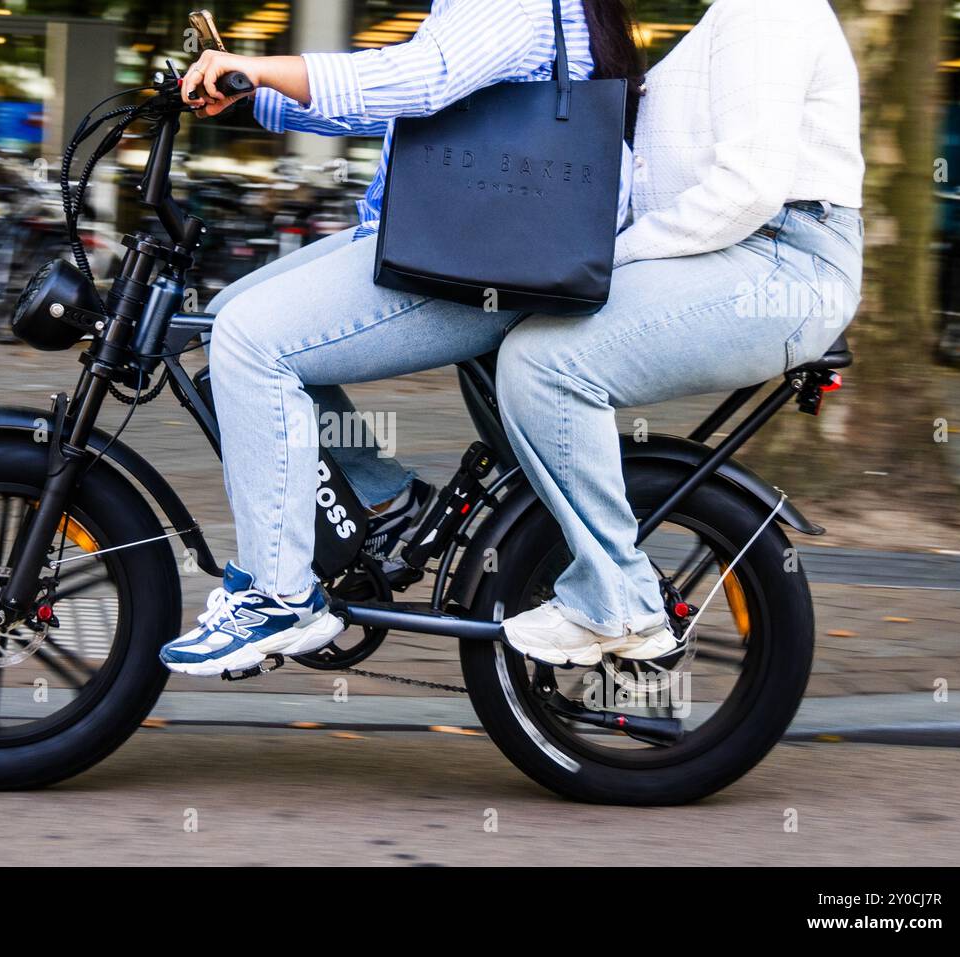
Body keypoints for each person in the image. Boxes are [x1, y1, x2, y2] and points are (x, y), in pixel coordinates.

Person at [160, 0, 642, 675]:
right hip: (437, 244)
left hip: (482, 261)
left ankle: (279, 596)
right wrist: (254, 90)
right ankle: (386, 501)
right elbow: (391, 102)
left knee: (250, 339)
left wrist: (262, 65)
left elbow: (420, 79)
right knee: (229, 317)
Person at [497, 0, 865, 665]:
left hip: (780, 260)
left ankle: (615, 603)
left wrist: (615, 257)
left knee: (545, 363)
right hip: (753, 252)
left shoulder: (767, 11)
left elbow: (747, 189)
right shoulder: (727, 18)